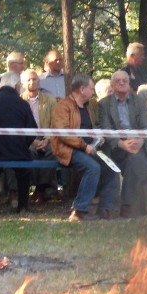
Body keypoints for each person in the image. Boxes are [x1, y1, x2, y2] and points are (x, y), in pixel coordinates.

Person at [51, 74, 118, 221]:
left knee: (111, 167)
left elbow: (88, 129)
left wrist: (96, 139)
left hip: (88, 147)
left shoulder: (87, 107)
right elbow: (63, 134)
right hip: (68, 149)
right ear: (82, 89)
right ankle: (79, 210)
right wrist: (84, 146)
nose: (93, 92)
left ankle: (105, 208)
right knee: (92, 168)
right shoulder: (62, 106)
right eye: (91, 88)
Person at [98, 69, 147, 217]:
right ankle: (116, 205)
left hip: (136, 143)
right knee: (129, 161)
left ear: (129, 84)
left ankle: (128, 205)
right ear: (112, 84)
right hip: (115, 146)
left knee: (134, 161)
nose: (122, 83)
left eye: (125, 81)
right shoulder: (104, 104)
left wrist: (140, 142)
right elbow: (106, 129)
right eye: (118, 81)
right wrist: (122, 144)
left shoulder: (139, 101)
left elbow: (145, 127)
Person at [0, 72, 37, 213]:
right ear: (16, 86)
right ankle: (23, 206)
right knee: (24, 172)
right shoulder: (23, 104)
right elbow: (32, 130)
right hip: (17, 152)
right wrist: (21, 145)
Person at [20, 69, 59, 203]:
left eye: (35, 79)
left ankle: (41, 189)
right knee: (31, 153)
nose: (32, 82)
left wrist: (47, 139)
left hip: (47, 136)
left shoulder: (50, 100)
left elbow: (55, 122)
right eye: (28, 80)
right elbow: (19, 126)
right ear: (23, 83)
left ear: (39, 81)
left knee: (52, 152)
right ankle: (33, 188)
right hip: (27, 139)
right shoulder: (19, 101)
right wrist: (32, 142)